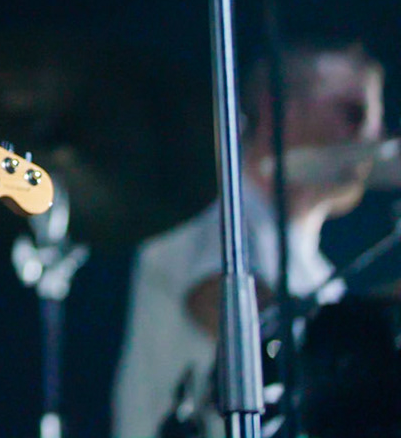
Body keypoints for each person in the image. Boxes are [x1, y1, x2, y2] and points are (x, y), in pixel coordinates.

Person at [111, 41, 387, 438]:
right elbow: (237, 320)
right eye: (353, 113)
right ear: (279, 110)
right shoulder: (205, 211)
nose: (375, 137)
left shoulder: (322, 275)